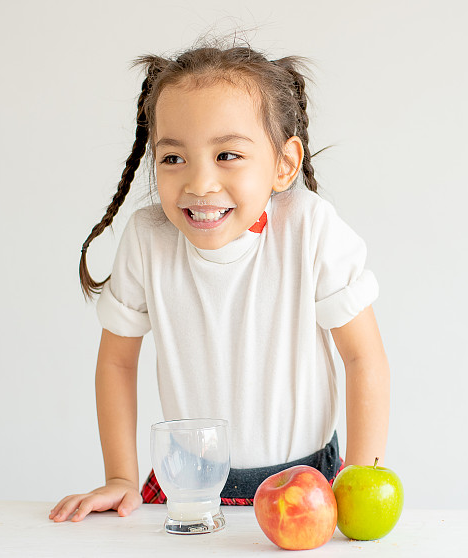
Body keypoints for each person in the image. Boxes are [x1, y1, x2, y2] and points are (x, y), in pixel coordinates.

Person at [50, 43, 390, 523]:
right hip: (188, 490)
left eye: (227, 154)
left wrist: (360, 479)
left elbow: (364, 357)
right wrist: (121, 477)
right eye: (172, 159)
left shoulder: (310, 228)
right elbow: (117, 363)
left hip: (311, 487)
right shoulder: (148, 238)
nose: (200, 183)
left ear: (283, 165)